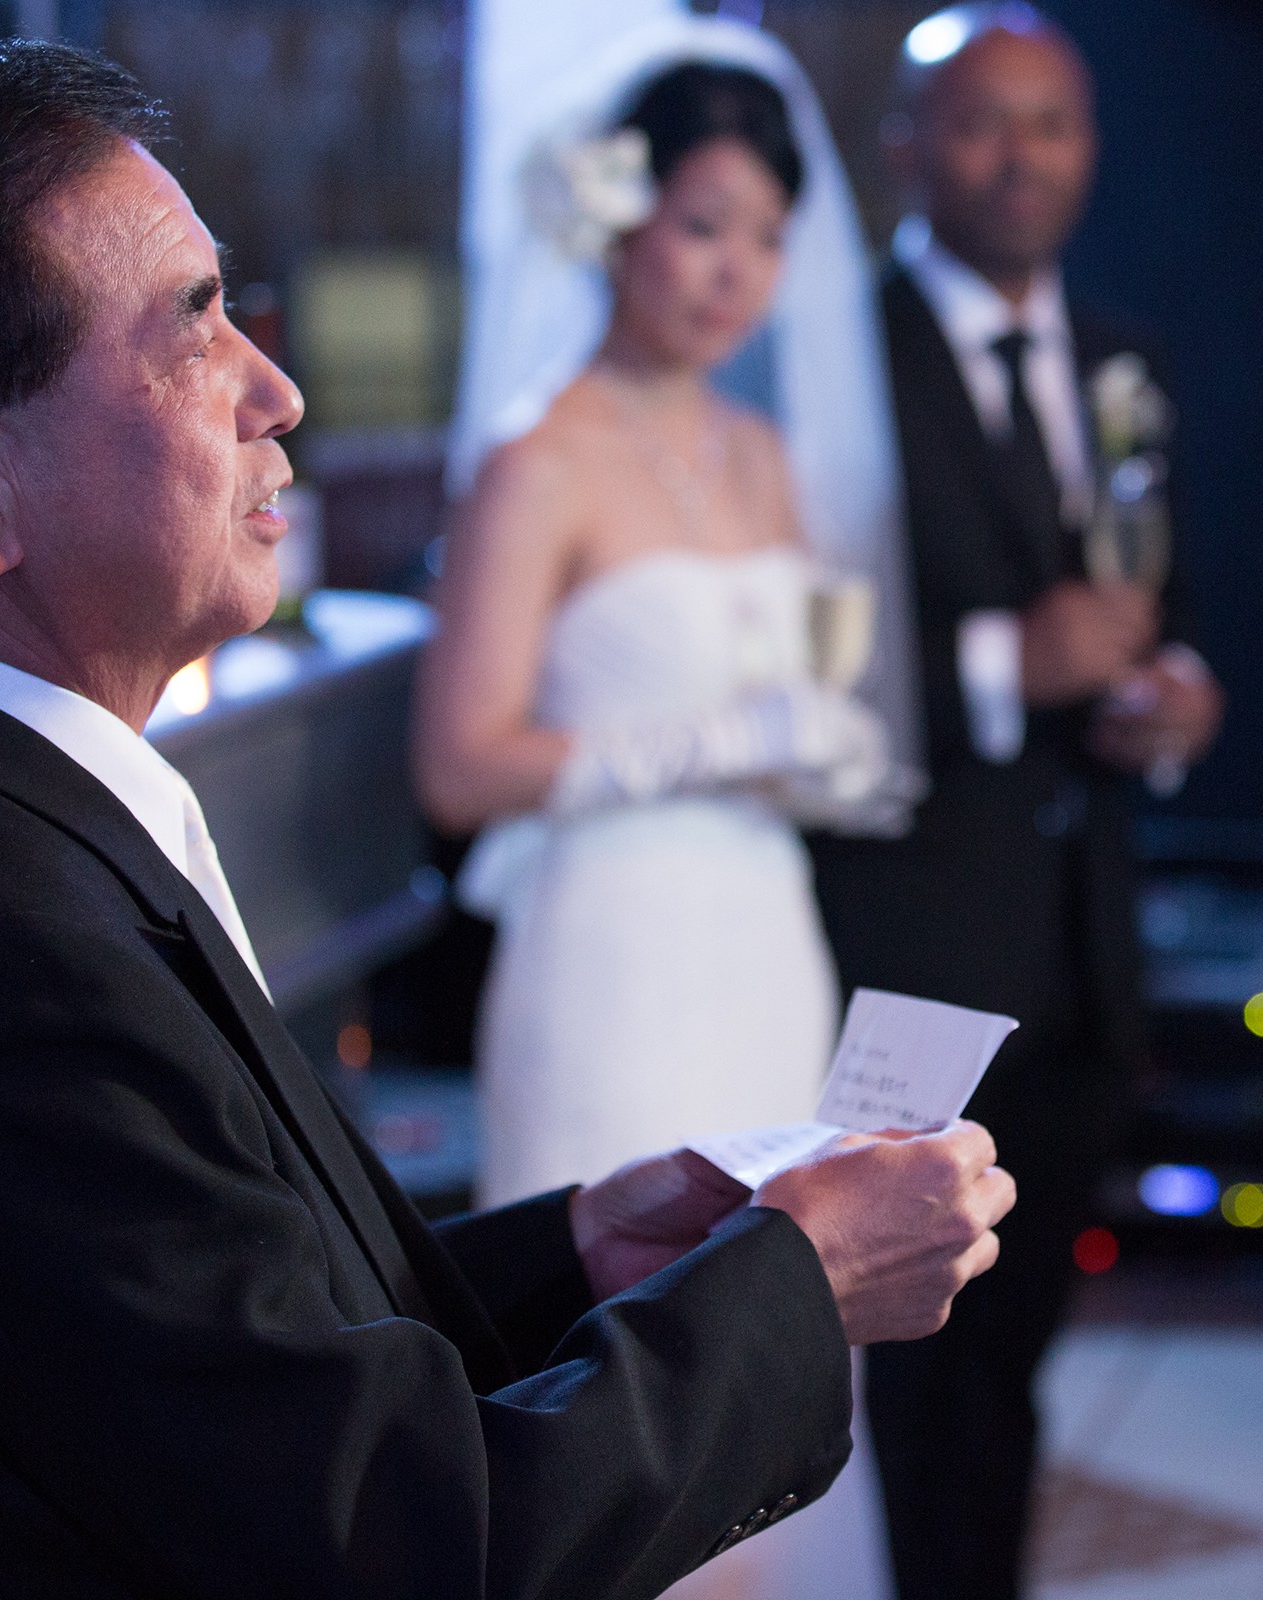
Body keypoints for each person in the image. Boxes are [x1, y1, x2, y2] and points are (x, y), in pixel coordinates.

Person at [0, 42, 1014, 1599]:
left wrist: (583, 1251)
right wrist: (799, 1289)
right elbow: (395, 1540)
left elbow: (232, 1358)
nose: (279, 387)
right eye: (193, 336)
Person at [805, 10, 1222, 1600]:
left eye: (1051, 124)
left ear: (1091, 147)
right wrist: (1004, 662)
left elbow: (1151, 600)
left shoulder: (1127, 357)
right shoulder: (839, 352)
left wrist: (1169, 697)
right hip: (913, 931)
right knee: (915, 1365)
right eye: (983, 123)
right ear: (909, 142)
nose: (1021, 156)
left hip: (1081, 943)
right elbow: (798, 635)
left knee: (1022, 1355)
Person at [419, 58, 886, 1211]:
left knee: (780, 1304)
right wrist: (702, 747)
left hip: (770, 940)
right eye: (705, 226)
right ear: (622, 222)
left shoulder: (761, 454)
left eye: (770, 238)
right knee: (620, 1328)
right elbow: (459, 767)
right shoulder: (536, 465)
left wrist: (824, 756)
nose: (739, 273)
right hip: (610, 960)